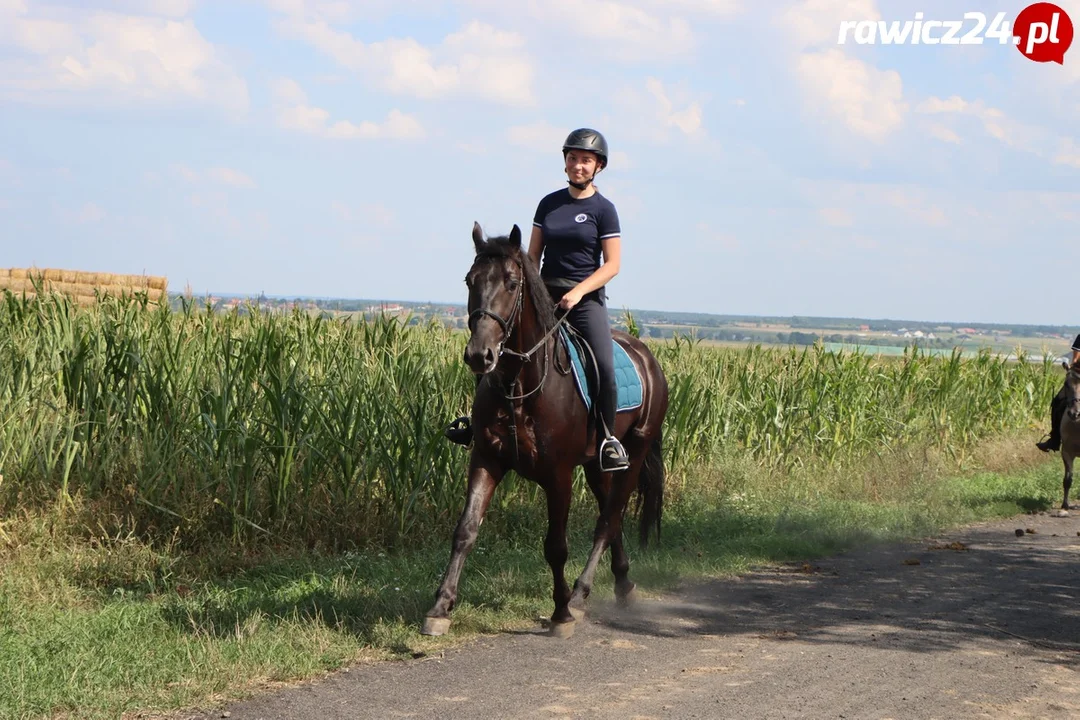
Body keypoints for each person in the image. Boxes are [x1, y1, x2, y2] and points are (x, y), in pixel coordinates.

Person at [445, 127, 631, 472]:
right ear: (565, 163)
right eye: (572, 158)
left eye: (585, 160)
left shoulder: (604, 210)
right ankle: (477, 425)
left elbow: (613, 265)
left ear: (598, 167)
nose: (578, 165)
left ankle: (608, 439)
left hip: (584, 299)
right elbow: (532, 255)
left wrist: (578, 291)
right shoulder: (549, 204)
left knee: (604, 365)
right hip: (544, 295)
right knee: (492, 343)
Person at [1036, 333, 1080, 452]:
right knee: (1058, 401)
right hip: (1077, 378)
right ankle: (1054, 439)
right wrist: (1071, 370)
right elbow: (1075, 359)